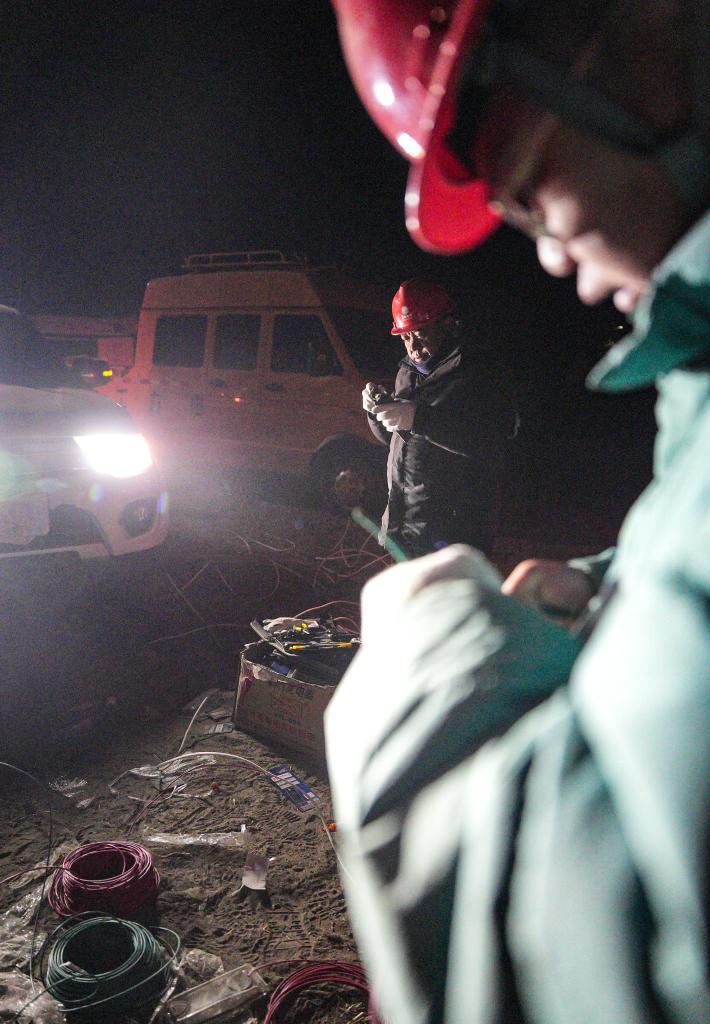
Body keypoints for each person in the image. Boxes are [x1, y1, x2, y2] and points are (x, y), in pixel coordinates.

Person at [324, 2, 710, 1023]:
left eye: (523, 174)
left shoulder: (474, 375)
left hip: (455, 520)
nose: (544, 249)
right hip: (414, 511)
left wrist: (428, 659)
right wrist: (608, 580)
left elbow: (603, 950)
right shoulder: (697, 390)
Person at [363, 277, 504, 557]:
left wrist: (419, 419)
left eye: (420, 334)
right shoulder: (407, 373)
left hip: (452, 537)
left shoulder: (477, 373)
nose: (413, 347)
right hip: (405, 529)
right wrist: (376, 412)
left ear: (447, 325)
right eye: (405, 337)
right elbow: (396, 440)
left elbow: (487, 442)